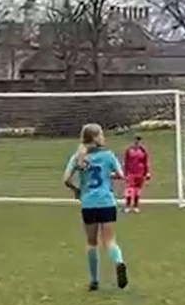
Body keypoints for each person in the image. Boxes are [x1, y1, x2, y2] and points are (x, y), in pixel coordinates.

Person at [63, 123, 128, 291]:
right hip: (106, 202)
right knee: (110, 241)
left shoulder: (79, 157)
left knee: (92, 242)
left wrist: (77, 190)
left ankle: (94, 280)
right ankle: (119, 261)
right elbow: (121, 175)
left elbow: (66, 179)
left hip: (89, 203)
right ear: (96, 138)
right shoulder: (108, 156)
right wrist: (108, 175)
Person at [123, 135, 151, 213]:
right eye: (136, 141)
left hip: (140, 173)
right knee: (129, 189)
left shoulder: (143, 151)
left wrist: (147, 172)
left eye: (139, 141)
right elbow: (126, 162)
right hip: (130, 173)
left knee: (137, 190)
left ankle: (136, 206)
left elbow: (146, 162)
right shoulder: (129, 150)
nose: (137, 142)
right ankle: (128, 206)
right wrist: (125, 173)